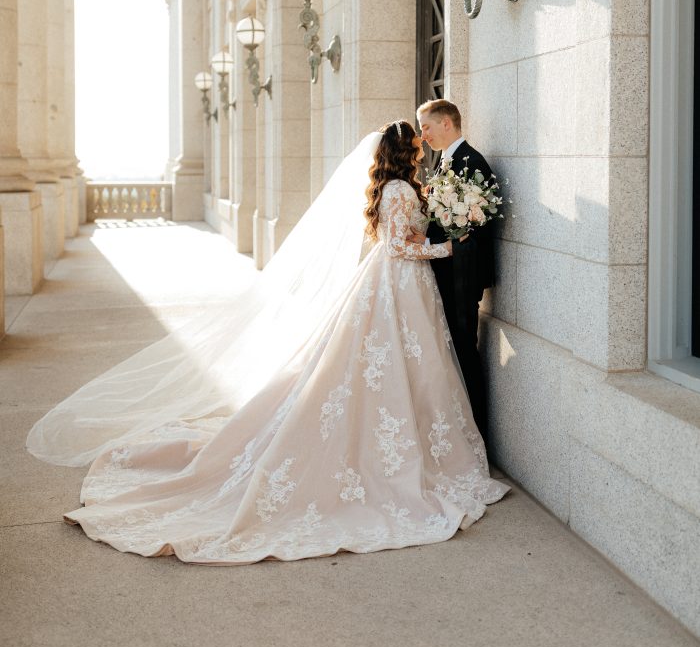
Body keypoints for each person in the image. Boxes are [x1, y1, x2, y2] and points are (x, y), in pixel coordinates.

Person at [27, 121, 508, 564]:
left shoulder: (390, 187)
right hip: (401, 281)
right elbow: (402, 245)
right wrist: (449, 246)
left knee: (384, 368)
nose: (421, 146)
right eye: (416, 143)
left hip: (392, 284)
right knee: (403, 366)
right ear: (405, 152)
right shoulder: (402, 189)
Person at [415, 100, 495, 444]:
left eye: (427, 127)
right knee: (452, 350)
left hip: (462, 276)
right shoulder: (445, 160)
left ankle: (477, 437)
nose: (423, 135)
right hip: (445, 272)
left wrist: (449, 241)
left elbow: (475, 226)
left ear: (447, 123)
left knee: (464, 348)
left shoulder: (471, 162)